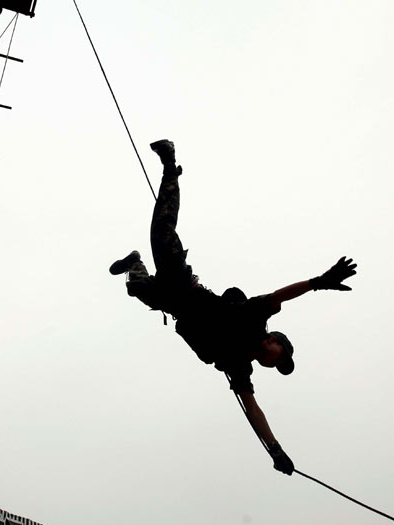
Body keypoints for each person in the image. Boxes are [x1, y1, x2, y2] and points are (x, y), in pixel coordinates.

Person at [109, 140, 357, 475]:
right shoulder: (253, 319)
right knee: (162, 228)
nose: (275, 363)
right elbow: (279, 296)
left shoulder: (240, 367)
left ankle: (134, 263)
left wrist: (276, 449)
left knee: (137, 287)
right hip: (182, 284)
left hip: (171, 303)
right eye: (280, 357)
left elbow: (253, 409)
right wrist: (319, 281)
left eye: (278, 365)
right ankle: (170, 164)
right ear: (274, 341)